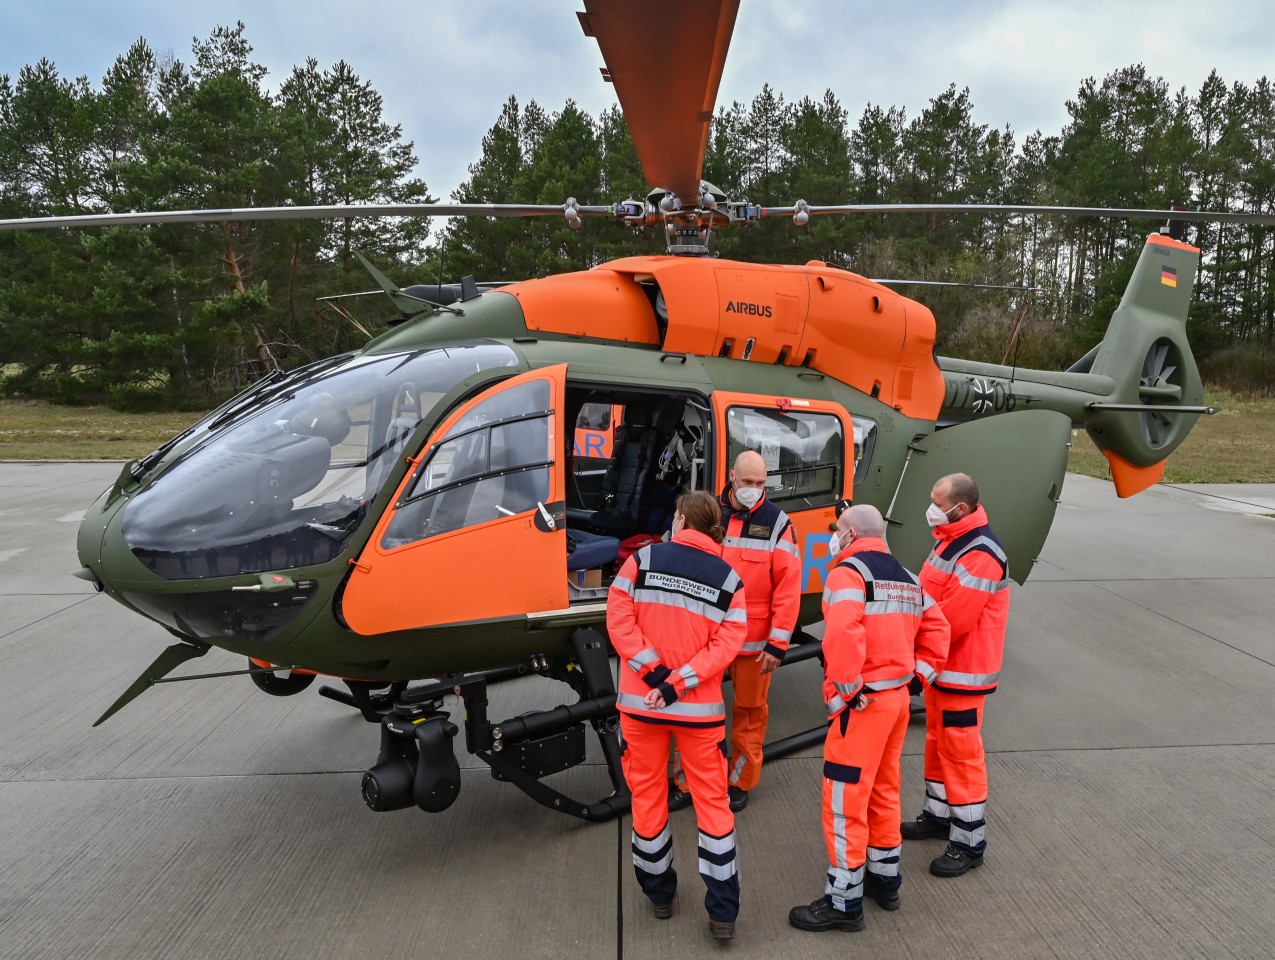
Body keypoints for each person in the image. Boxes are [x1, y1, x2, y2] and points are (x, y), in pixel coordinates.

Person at [790, 504, 949, 933]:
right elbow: (939, 628)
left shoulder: (848, 574)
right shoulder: (908, 577)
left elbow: (843, 634)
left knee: (844, 802)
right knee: (884, 789)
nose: (833, 536)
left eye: (837, 530)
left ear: (851, 533)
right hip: (896, 702)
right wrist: (918, 679)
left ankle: (844, 901)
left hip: (862, 706)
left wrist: (846, 692)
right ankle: (884, 880)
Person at [607, 490, 749, 942]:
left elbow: (618, 619)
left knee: (647, 798)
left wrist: (655, 675)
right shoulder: (729, 579)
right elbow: (727, 646)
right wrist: (681, 681)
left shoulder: (642, 561)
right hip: (698, 713)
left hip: (641, 706)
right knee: (713, 805)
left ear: (681, 518)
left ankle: (660, 895)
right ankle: (723, 913)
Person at [669, 450, 801, 813]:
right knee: (694, 713)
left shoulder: (777, 523)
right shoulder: (708, 514)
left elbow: (789, 588)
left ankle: (738, 781)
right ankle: (688, 782)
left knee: (750, 711)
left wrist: (778, 642)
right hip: (704, 637)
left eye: (761, 484)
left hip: (753, 642)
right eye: (747, 483)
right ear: (731, 477)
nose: (754, 490)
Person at [901, 472, 1010, 879]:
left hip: (963, 672)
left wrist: (905, 633)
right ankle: (938, 814)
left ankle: (968, 841)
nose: (930, 507)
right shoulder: (951, 538)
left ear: (959, 507)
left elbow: (954, 618)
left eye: (937, 500)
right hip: (942, 668)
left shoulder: (981, 551)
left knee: (962, 754)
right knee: (937, 742)